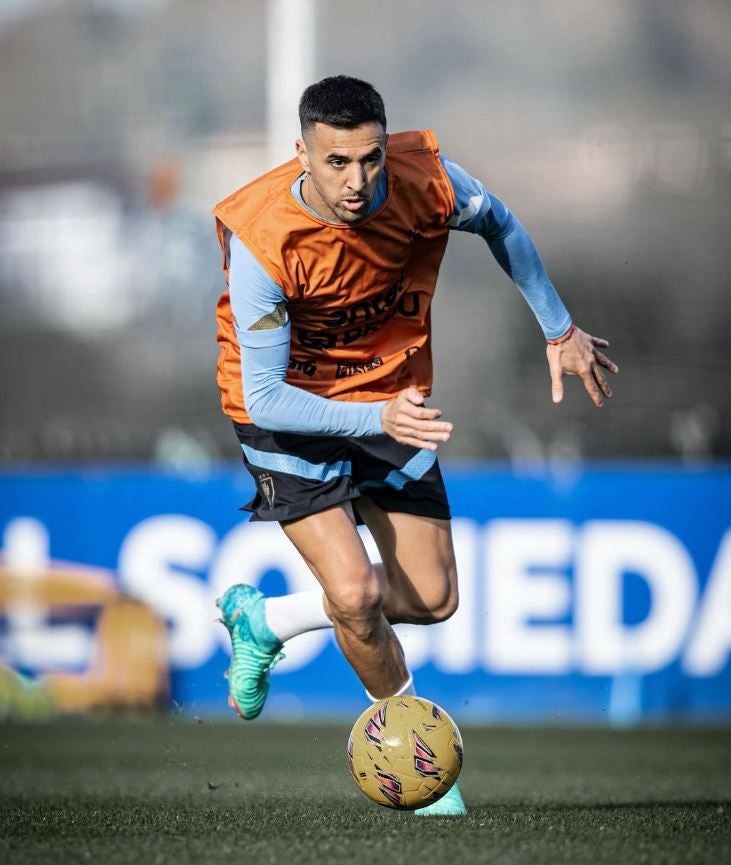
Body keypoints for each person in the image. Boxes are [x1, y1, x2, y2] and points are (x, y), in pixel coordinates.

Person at [212, 75, 618, 816]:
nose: (357, 180)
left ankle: (266, 620)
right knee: (357, 593)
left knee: (433, 599)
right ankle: (419, 765)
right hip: (285, 417)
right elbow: (268, 396)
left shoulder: (426, 180)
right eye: (335, 162)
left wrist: (557, 328)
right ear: (300, 152)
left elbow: (501, 223)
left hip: (390, 398)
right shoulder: (263, 242)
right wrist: (377, 420)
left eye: (369, 159)